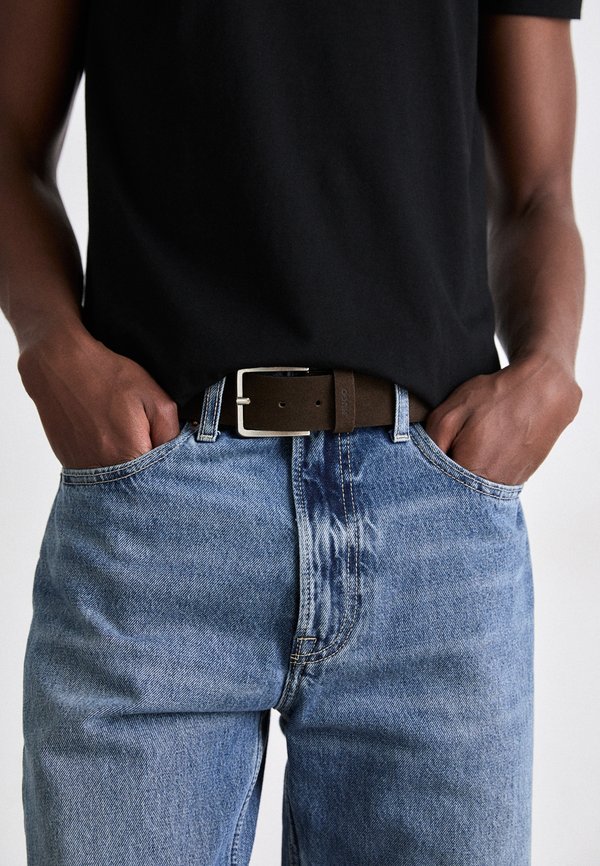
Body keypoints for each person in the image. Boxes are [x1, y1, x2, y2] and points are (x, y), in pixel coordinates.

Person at [0, 0, 585, 863]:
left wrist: (548, 371)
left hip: (433, 528)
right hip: (160, 513)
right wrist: (51, 344)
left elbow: (540, 190)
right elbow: (10, 139)